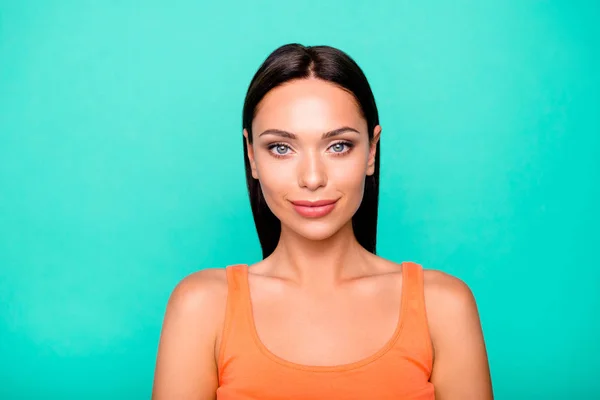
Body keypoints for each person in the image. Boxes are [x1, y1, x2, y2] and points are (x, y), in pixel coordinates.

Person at [152, 43, 493, 400]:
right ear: (252, 155)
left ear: (371, 151)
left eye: (338, 146)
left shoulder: (443, 306)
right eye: (281, 148)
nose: (312, 178)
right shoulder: (202, 307)